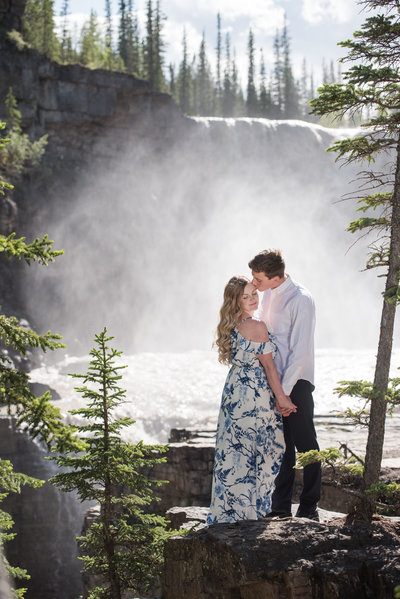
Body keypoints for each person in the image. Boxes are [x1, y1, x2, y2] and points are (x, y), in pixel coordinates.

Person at [207, 276, 296, 524]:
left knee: (235, 451)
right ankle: (252, 510)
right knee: (265, 447)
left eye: (253, 294)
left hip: (234, 392)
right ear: (235, 301)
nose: (252, 299)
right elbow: (269, 367)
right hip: (254, 395)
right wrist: (283, 399)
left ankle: (233, 512)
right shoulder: (256, 325)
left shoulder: (231, 323)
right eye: (245, 297)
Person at [249, 249, 321, 520]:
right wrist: (276, 390)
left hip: (297, 382)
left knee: (306, 444)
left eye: (258, 279)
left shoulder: (301, 299)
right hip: (276, 383)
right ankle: (280, 507)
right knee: (282, 446)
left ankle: (309, 506)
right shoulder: (267, 294)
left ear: (274, 277)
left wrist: (286, 393)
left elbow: (300, 352)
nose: (254, 283)